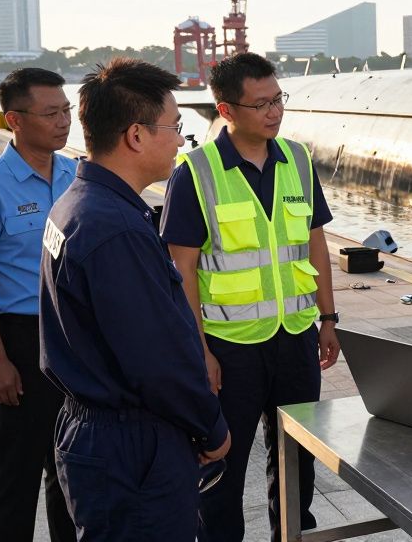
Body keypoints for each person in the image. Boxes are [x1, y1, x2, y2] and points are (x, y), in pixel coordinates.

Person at [40, 58, 230, 540]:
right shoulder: (114, 228)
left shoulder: (80, 204)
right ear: (136, 135)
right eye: (176, 126)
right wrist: (211, 429)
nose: (182, 140)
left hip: (99, 427)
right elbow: (155, 358)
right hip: (131, 443)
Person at [161, 52, 339, 542]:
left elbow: (315, 241)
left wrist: (328, 318)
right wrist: (198, 352)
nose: (274, 112)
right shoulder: (195, 173)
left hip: (296, 338)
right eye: (261, 104)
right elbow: (183, 270)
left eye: (278, 99)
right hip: (229, 347)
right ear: (226, 111)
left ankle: (292, 535)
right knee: (223, 464)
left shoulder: (298, 160)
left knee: (297, 461)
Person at [0, 68, 75, 542]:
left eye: (65, 110)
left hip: (71, 337)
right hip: (19, 339)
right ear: (13, 120)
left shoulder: (75, 175)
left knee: (70, 466)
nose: (63, 122)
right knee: (15, 473)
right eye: (50, 113)